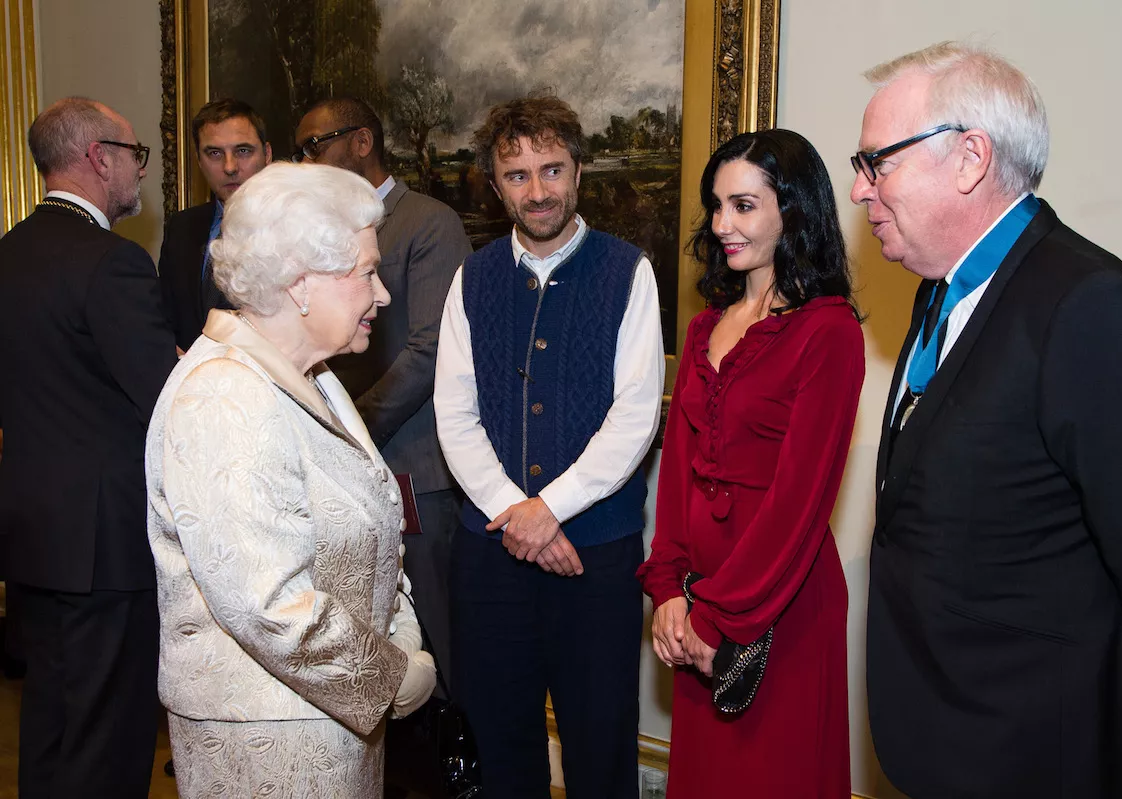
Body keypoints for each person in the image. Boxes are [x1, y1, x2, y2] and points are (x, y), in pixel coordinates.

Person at [853, 42, 1122, 799]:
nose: (859, 189)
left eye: (876, 162)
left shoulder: (1087, 304)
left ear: (970, 158)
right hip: (950, 735)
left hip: (1049, 750)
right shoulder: (939, 289)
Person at [146, 162, 438, 798]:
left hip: (329, 722)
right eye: (367, 272)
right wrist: (388, 676)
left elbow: (373, 522)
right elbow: (267, 603)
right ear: (303, 283)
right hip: (268, 737)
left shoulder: (315, 377)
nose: (382, 294)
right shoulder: (223, 395)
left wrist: (403, 630)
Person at [434, 95, 664, 799]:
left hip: (596, 554)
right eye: (518, 175)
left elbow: (635, 415)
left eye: (552, 169)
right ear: (495, 183)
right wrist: (516, 511)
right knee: (503, 744)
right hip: (491, 554)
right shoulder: (471, 278)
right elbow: (455, 412)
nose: (538, 191)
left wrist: (552, 509)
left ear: (579, 170)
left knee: (600, 744)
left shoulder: (629, 271)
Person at [638, 129, 862, 797]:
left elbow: (800, 503)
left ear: (793, 211)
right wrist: (669, 590)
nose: (721, 225)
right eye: (716, 206)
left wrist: (717, 615)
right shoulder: (705, 328)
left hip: (780, 609)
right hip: (701, 602)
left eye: (743, 205)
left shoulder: (830, 331)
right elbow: (677, 476)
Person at [0, 96, 178, 798]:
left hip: (31, 537)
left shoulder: (8, 254)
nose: (140, 172)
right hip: (106, 548)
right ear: (99, 158)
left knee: (50, 726)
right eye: (134, 155)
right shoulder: (114, 264)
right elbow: (167, 402)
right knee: (105, 744)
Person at [295, 97, 471, 689]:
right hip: (339, 471)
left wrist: (345, 427)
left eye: (316, 144)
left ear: (363, 141)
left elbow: (429, 350)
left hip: (412, 470)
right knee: (363, 637)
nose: (306, 159)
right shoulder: (320, 233)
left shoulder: (428, 222)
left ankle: (462, 771)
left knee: (443, 642)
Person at [159, 99, 272, 351]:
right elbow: (168, 319)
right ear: (199, 161)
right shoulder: (181, 228)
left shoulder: (293, 227)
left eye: (243, 151)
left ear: (267, 154)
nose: (230, 167)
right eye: (214, 153)